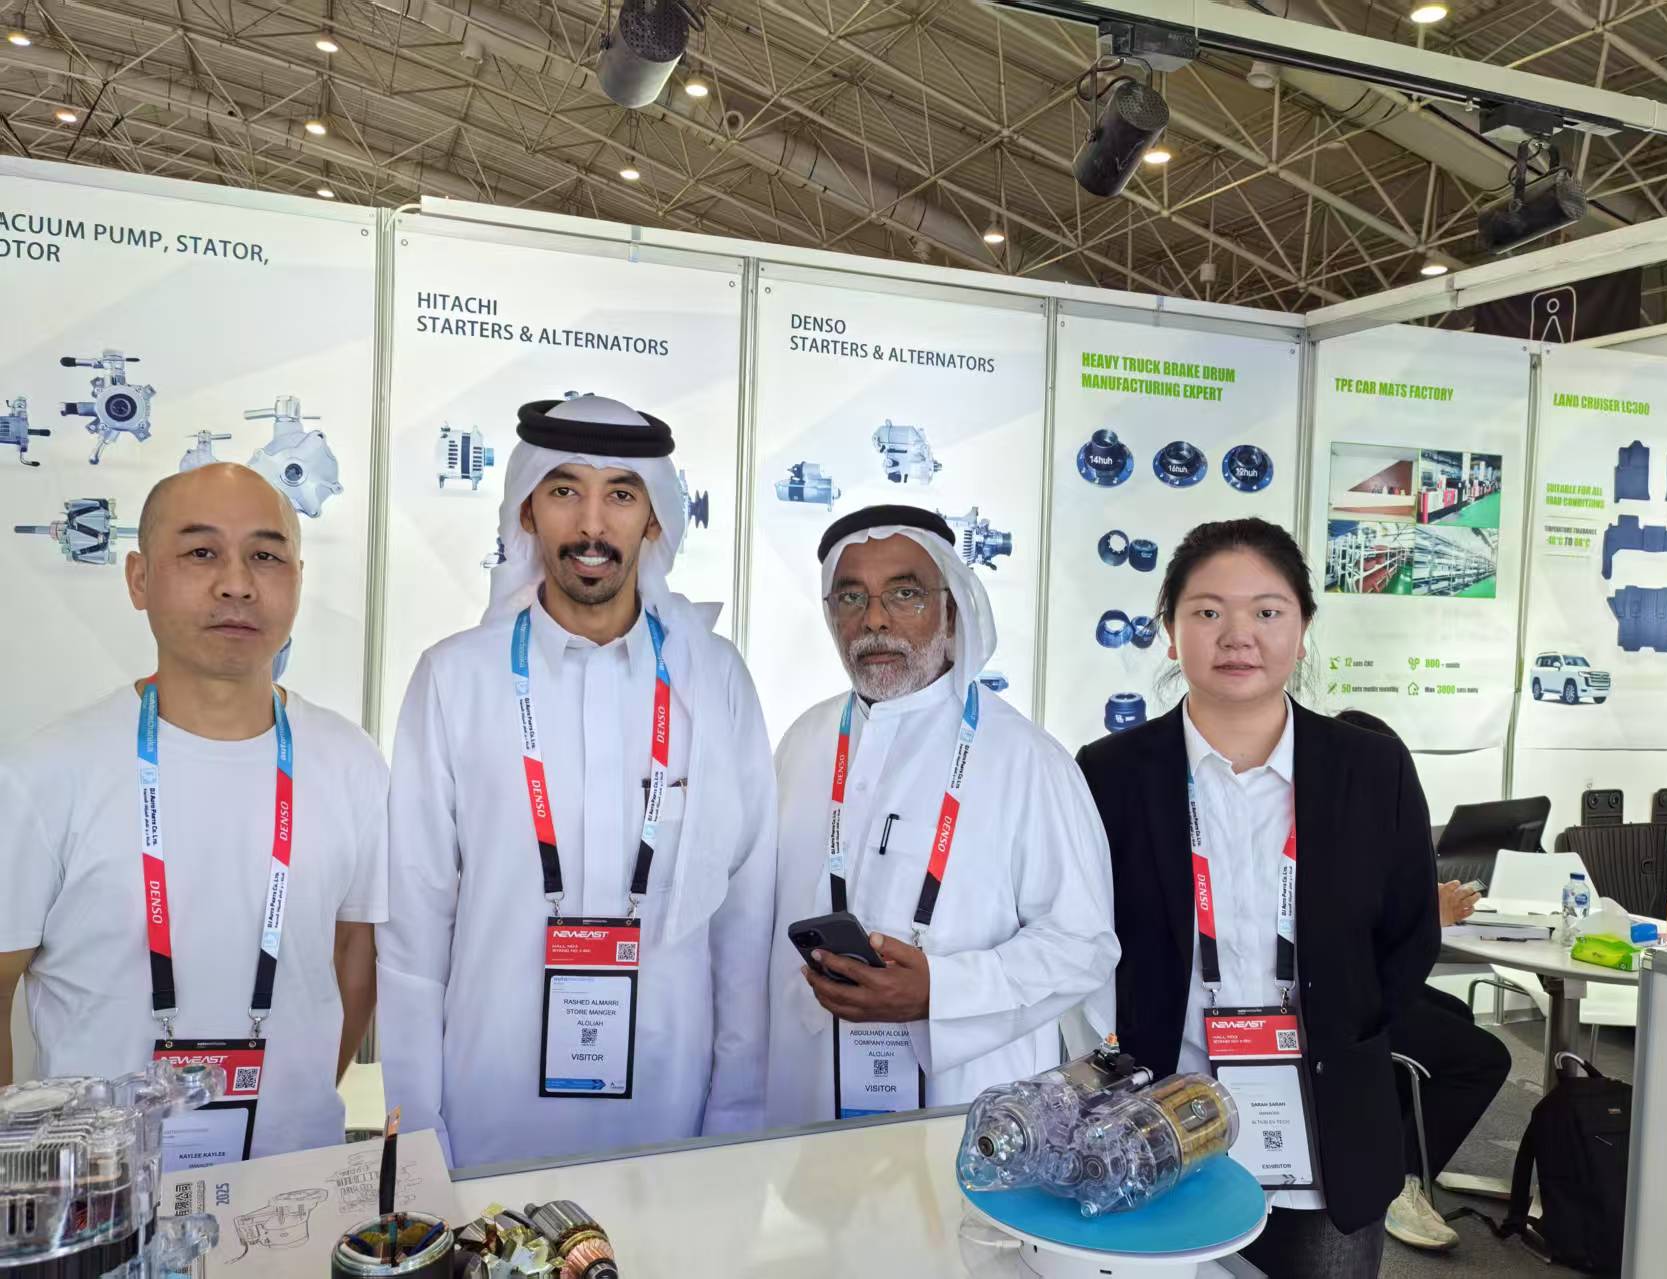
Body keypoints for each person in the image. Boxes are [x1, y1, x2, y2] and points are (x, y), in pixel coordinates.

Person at [380, 393, 776, 1169]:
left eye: (620, 495)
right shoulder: (456, 679)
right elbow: (413, 930)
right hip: (489, 1114)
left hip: (671, 1114)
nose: (592, 525)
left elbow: (744, 918)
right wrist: (421, 1135)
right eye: (565, 490)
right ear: (527, 511)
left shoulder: (714, 679)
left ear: (654, 519)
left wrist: (734, 1117)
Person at [1077, 518, 1439, 1279]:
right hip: (1155, 1125)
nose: (1238, 634)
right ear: (1170, 631)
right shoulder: (1110, 774)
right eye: (1208, 611)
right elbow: (1085, 937)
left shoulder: (1371, 770)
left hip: (1328, 1133)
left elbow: (1409, 936)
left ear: (1302, 630)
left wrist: (1345, 1039)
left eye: (1267, 611)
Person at [0, 463, 385, 1162]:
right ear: (139, 579)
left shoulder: (350, 761)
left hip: (294, 1179)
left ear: (298, 579)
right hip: (102, 1196)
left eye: (265, 556)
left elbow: (355, 954)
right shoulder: (46, 773)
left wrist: (290, 1105)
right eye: (201, 552)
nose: (237, 583)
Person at [765, 504, 1118, 1127]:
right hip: (808, 1096)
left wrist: (941, 990)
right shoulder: (804, 743)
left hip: (971, 1112)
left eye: (905, 594)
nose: (874, 619)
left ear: (952, 613)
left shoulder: (1026, 759)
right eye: (851, 597)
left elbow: (1083, 945)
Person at [1336, 709, 1513, 1252]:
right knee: (1485, 1058)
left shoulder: (1357, 821)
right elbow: (1337, 940)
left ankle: (1395, 1149)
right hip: (1341, 1003)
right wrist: (1428, 916)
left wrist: (1421, 907)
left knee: (1456, 1016)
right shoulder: (1329, 831)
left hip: (1363, 986)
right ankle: (1400, 1180)